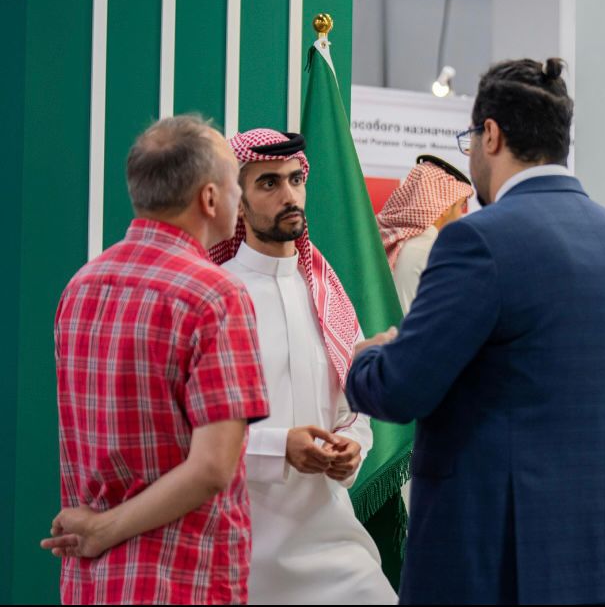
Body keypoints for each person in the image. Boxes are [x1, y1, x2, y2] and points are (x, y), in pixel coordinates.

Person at [346, 58, 605, 605]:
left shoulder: (478, 241)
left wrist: (367, 359)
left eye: (469, 138)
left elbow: (400, 389)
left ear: (490, 135)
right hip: (593, 557)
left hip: (491, 560)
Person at [43, 116, 271, 605]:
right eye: (236, 185)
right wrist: (105, 529)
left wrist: (100, 531)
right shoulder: (217, 296)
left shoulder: (80, 287)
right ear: (209, 198)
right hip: (181, 579)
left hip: (91, 585)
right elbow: (212, 467)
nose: (239, 199)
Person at [207, 129, 398, 605]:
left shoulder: (326, 293)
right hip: (239, 545)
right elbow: (193, 433)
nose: (289, 195)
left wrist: (352, 447)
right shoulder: (214, 297)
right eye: (269, 183)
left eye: (295, 179)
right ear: (238, 202)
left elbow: (353, 409)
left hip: (332, 542)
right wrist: (280, 449)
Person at [376, 154, 474, 315]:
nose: (460, 215)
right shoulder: (433, 252)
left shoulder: (388, 242)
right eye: (460, 206)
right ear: (445, 208)